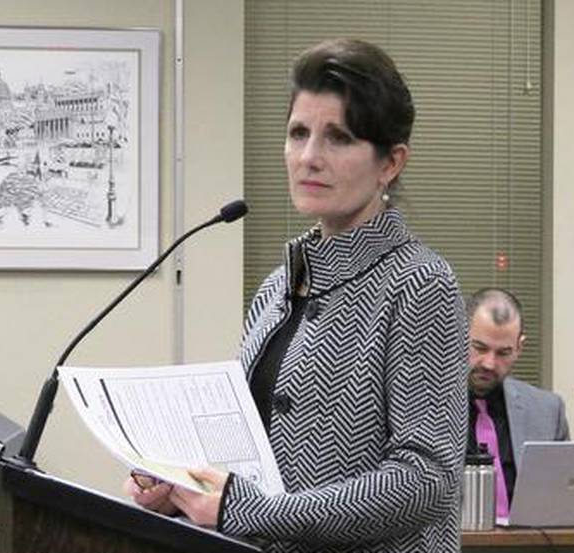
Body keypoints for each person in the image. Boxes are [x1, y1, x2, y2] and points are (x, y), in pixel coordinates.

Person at [124, 38, 468, 553]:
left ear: (390, 163)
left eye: (339, 138)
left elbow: (426, 479)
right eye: (298, 133)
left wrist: (247, 509)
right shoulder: (277, 288)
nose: (309, 157)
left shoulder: (421, 285)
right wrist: (183, 486)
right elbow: (253, 453)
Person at [466, 287, 569, 519]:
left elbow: (563, 499)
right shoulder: (423, 405)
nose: (490, 364)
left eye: (503, 352)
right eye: (480, 348)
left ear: (519, 348)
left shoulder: (548, 411)